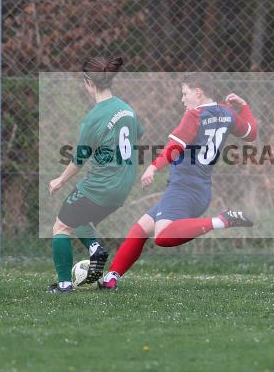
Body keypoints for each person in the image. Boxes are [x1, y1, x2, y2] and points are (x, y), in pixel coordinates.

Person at [98, 72, 258, 290]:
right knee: (140, 229)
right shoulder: (227, 113)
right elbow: (251, 133)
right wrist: (245, 106)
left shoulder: (195, 115)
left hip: (183, 189)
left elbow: (174, 148)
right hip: (199, 190)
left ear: (198, 92)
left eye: (185, 93)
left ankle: (220, 220)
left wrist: (153, 167)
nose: (183, 99)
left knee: (162, 235)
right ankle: (111, 278)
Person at [45, 55, 142, 293]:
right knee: (79, 217)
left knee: (61, 227)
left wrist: (59, 180)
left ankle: (65, 284)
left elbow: (79, 160)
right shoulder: (128, 111)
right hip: (123, 185)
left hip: (101, 185)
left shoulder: (93, 119)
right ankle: (95, 249)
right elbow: (137, 134)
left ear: (89, 82)